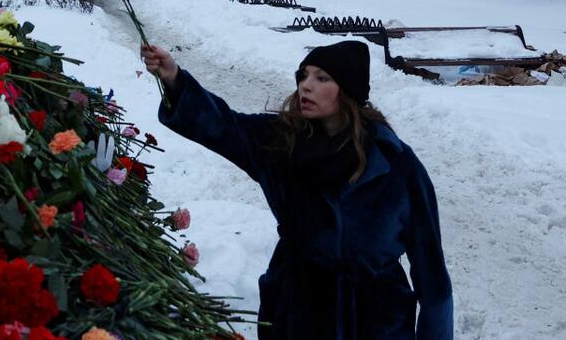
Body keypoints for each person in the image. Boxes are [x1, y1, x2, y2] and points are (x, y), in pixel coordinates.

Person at [140, 41, 452, 339]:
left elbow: (433, 278)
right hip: (296, 315)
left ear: (349, 89)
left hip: (374, 321)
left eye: (322, 78)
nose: (306, 85)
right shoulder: (281, 144)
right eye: (303, 76)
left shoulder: (395, 164)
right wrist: (173, 78)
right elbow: (223, 126)